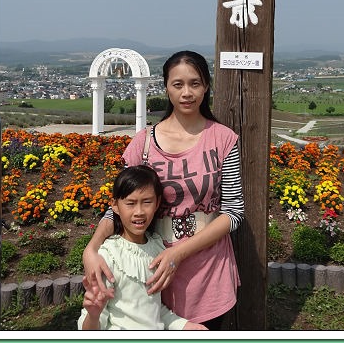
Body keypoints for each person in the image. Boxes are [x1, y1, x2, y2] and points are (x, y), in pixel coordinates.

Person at [83, 50, 244, 330]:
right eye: (177, 84)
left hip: (207, 271)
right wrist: (92, 248)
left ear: (206, 86)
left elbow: (233, 212)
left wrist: (178, 253)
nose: (187, 93)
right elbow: (122, 205)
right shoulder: (142, 144)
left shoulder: (223, 139)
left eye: (195, 83)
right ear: (166, 87)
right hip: (150, 266)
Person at [78, 165, 207, 330]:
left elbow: (153, 311)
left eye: (147, 202)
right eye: (130, 203)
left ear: (157, 202)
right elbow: (91, 328)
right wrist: (93, 315)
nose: (139, 211)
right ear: (115, 206)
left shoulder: (157, 247)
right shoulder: (108, 256)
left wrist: (184, 325)